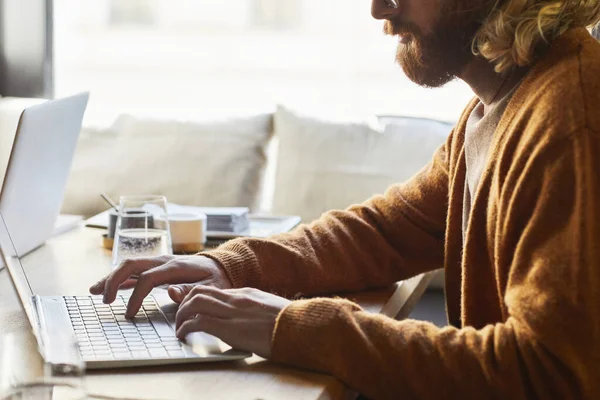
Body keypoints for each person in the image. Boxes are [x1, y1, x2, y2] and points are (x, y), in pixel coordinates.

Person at [91, 0, 600, 398]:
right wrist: (232, 266)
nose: (378, 10)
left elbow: (549, 376)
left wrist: (292, 327)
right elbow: (386, 230)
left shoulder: (567, 118)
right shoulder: (502, 102)